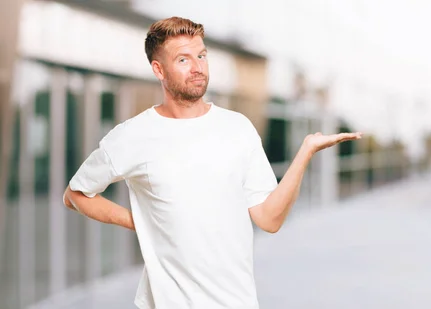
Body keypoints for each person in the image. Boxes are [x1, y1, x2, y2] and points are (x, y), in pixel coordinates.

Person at [63, 16, 361, 309]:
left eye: (202, 55)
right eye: (183, 60)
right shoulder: (134, 135)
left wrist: (305, 152)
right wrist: (140, 223)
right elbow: (75, 195)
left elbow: (269, 219)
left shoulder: (238, 128)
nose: (198, 67)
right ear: (159, 70)